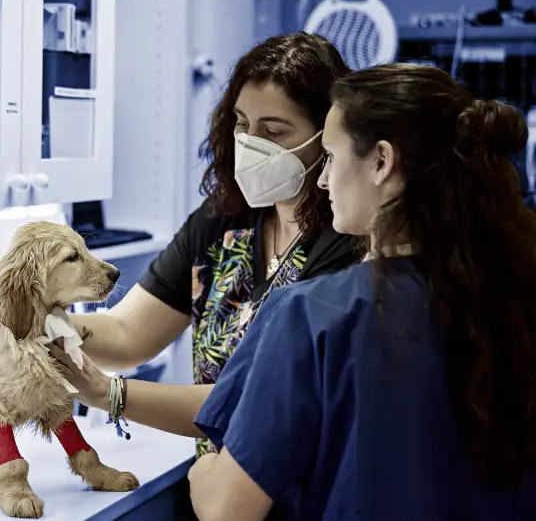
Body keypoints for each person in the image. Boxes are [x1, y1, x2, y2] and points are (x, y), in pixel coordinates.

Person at [188, 63, 536, 521]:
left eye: (330, 157)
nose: (323, 180)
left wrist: (204, 470)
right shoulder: (514, 293)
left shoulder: (312, 315)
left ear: (381, 161)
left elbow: (227, 510)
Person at [43, 32, 362, 455]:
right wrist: (44, 322)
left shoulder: (346, 243)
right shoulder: (225, 218)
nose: (251, 144)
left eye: (274, 131)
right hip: (217, 478)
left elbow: (254, 404)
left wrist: (108, 393)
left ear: (327, 137)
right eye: (243, 124)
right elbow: (128, 333)